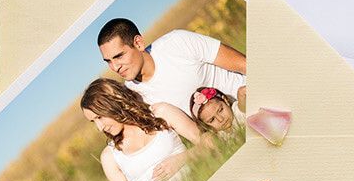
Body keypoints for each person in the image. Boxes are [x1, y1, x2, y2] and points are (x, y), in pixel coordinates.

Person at [80, 78, 202, 181]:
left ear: (114, 102)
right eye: (93, 121)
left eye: (99, 117)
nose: (100, 127)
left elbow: (210, 142)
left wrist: (182, 158)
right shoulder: (110, 157)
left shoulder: (161, 113)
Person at [97, 18, 246, 115]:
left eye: (119, 56)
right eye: (108, 61)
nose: (115, 67)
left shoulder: (177, 42)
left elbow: (244, 64)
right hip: (225, 133)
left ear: (138, 43)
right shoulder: (133, 94)